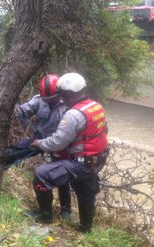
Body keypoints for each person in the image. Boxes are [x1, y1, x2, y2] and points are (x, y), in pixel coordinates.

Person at [30, 73, 109, 233]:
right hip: (97, 160)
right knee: (86, 192)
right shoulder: (96, 106)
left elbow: (58, 141)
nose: (61, 98)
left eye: (62, 94)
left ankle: (45, 214)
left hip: (81, 163)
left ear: (67, 94)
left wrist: (39, 144)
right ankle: (86, 228)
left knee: (41, 174)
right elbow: (103, 130)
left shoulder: (73, 115)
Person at [14, 74, 72, 220]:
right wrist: (16, 110)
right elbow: (24, 110)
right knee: (17, 150)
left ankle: (66, 211)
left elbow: (65, 136)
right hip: (39, 140)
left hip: (61, 146)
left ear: (59, 94)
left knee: (61, 179)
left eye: (51, 99)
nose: (48, 102)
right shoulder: (39, 100)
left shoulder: (68, 108)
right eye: (46, 99)